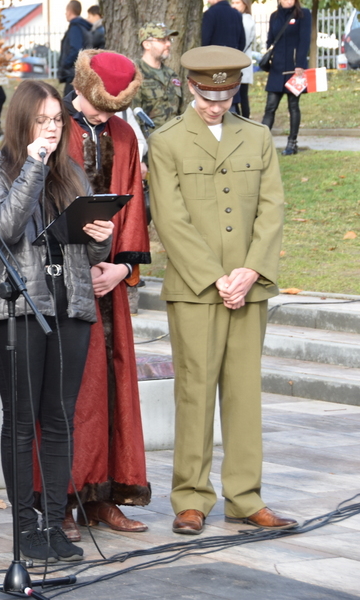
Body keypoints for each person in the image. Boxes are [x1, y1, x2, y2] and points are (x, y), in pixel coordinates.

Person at [147, 46, 296, 537]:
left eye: (227, 93)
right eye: (209, 94)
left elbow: (271, 209)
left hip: (247, 289)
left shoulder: (256, 137)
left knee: (244, 393)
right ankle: (191, 497)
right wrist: (216, 277)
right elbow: (170, 218)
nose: (218, 103)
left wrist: (250, 272)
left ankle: (245, 496)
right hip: (196, 289)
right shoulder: (167, 140)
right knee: (194, 392)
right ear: (192, 87)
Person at [0, 80, 113, 563]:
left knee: (59, 419)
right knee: (21, 420)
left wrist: (103, 235)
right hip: (16, 308)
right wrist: (33, 164)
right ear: (22, 121)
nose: (53, 128)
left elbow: (92, 249)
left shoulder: (72, 171)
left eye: (58, 120)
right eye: (43, 120)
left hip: (69, 303)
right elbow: (6, 227)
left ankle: (54, 522)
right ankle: (23, 525)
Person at [61, 50, 151, 541]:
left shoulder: (123, 135)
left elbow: (136, 205)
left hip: (108, 284)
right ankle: (63, 501)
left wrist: (121, 268)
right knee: (72, 391)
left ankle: (104, 498)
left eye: (111, 109)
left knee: (113, 387)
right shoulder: (54, 126)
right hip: (62, 281)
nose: (104, 116)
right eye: (98, 106)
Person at [261, 0, 312, 156]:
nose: (289, 1)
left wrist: (300, 65)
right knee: (270, 106)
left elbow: (304, 41)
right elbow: (270, 40)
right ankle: (262, 143)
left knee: (293, 106)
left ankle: (292, 143)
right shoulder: (274, 16)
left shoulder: (303, 14)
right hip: (276, 68)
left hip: (294, 68)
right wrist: (269, 57)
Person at [201, 0, 246, 111]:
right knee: (231, 96)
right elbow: (242, 40)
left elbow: (205, 40)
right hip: (232, 63)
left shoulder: (210, 14)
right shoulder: (236, 14)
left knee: (216, 95)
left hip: (214, 64)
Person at [56, 0, 92, 93]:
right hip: (79, 73)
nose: (65, 14)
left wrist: (65, 64)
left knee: (69, 104)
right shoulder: (82, 27)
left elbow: (75, 49)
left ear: (69, 11)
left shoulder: (75, 28)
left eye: (66, 11)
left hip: (73, 74)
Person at [230, 0, 256, 119]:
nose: (234, 6)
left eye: (237, 3)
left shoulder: (245, 20)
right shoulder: (240, 18)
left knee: (242, 97)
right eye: (233, 3)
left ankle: (244, 121)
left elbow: (242, 42)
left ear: (245, 4)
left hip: (242, 63)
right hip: (242, 63)